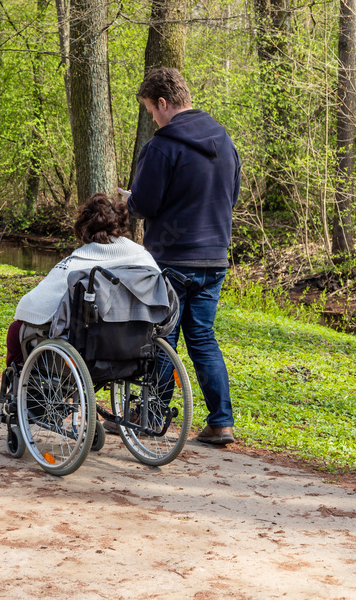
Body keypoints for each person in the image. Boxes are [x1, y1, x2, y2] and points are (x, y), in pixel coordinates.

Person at [125, 67, 241, 446]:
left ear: (163, 103)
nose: (153, 119)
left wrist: (129, 199)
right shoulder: (224, 141)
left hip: (172, 257)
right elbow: (231, 195)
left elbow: (144, 204)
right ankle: (221, 421)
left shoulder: (162, 146)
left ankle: (151, 415)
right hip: (215, 257)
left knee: (162, 337)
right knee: (203, 338)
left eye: (151, 111)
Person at [4, 193, 158, 371]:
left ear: (85, 227)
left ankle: (25, 389)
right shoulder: (144, 258)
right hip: (135, 343)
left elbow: (31, 307)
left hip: (87, 347)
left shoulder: (77, 262)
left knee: (16, 330)